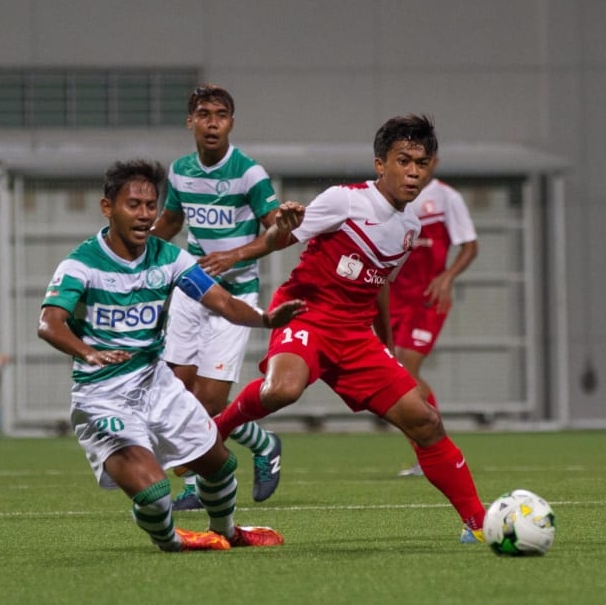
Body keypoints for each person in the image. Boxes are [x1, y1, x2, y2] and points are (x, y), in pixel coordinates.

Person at [214, 114, 488, 543]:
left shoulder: (410, 227)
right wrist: (240, 253)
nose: (413, 171)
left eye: (421, 162)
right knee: (283, 390)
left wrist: (389, 347)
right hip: (305, 311)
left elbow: (380, 284)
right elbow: (281, 238)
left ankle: (480, 524)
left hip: (356, 333)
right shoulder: (343, 200)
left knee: (426, 420)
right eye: (404, 161)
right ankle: (220, 428)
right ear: (381, 164)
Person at [36, 159, 305, 552]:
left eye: (151, 206)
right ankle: (171, 539)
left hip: (155, 383)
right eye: (134, 205)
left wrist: (265, 319)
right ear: (107, 207)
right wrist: (87, 352)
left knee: (220, 463)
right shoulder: (81, 264)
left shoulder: (169, 257)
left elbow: (223, 303)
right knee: (155, 494)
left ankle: (229, 531)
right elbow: (49, 323)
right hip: (103, 396)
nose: (145, 215)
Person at [151, 84, 283, 510]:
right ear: (190, 121)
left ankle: (232, 462)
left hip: (236, 297)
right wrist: (131, 253)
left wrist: (235, 255)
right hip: (192, 289)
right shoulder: (180, 170)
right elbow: (170, 222)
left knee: (208, 401)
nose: (212, 122)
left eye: (221, 115)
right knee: (175, 393)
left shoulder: (249, 173)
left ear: (231, 122)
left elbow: (279, 232)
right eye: (204, 114)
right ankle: (250, 452)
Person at [389, 154, 479, 476]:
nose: (415, 169)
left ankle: (434, 450)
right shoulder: (394, 196)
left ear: (435, 163)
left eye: (423, 161)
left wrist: (447, 276)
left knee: (406, 368)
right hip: (393, 297)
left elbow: (470, 245)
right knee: (394, 373)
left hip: (427, 299)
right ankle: (428, 452)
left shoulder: (446, 197)